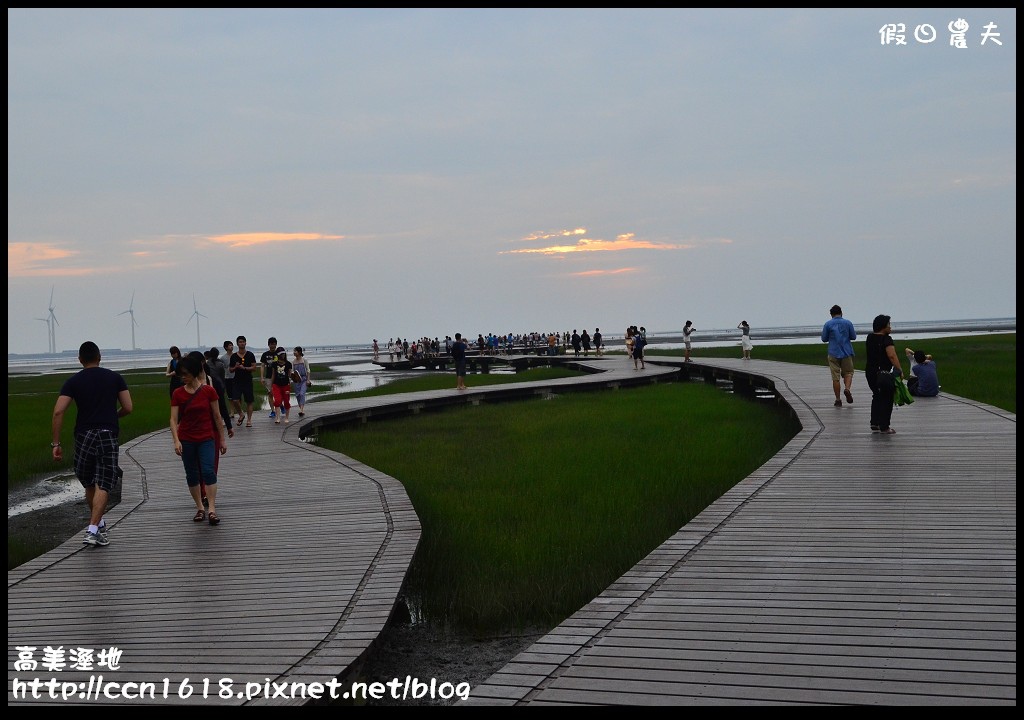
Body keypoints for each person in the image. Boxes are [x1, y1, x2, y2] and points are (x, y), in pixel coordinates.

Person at [51, 341, 133, 547]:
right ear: (100, 357)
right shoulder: (114, 378)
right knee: (104, 482)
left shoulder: (73, 381)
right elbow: (128, 407)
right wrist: (113, 416)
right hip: (107, 434)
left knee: (88, 482)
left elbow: (58, 411)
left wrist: (56, 443)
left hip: (83, 436)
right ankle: (93, 529)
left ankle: (98, 526)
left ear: (80, 359)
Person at [170, 353, 227, 525]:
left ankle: (211, 509)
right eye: (181, 374)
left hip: (206, 438)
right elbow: (173, 419)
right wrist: (176, 440)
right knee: (192, 474)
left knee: (208, 471)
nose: (183, 377)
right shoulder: (178, 393)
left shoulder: (209, 390)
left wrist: (222, 440)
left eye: (186, 373)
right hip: (186, 439)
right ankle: (200, 508)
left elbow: (217, 416)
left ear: (194, 372)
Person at [865, 314, 904, 435]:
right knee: (887, 398)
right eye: (889, 324)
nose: (890, 327)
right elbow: (892, 355)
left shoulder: (870, 337)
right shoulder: (887, 339)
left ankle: (875, 422)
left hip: (870, 372)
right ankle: (884, 426)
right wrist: (899, 369)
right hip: (884, 373)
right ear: (883, 326)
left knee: (877, 395)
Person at [821, 305, 857, 407]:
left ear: (831, 314)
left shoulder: (828, 324)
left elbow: (824, 339)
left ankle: (838, 399)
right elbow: (853, 337)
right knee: (849, 373)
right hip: (846, 352)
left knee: (835, 378)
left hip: (833, 352)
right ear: (841, 312)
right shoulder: (848, 323)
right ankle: (847, 389)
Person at [229, 335, 258, 428]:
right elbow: (230, 369)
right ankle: (241, 414)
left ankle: (249, 420)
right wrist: (236, 367)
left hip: (247, 380)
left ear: (245, 343)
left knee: (249, 401)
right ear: (237, 344)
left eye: (243, 342)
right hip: (237, 380)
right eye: (240, 342)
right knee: (235, 399)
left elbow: (254, 367)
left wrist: (244, 368)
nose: (242, 343)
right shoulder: (233, 356)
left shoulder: (250, 354)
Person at [270, 348, 294, 424]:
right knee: (277, 401)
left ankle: (286, 417)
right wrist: (271, 386)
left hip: (286, 385)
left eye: (283, 353)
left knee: (286, 401)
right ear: (278, 354)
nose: (282, 355)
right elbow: (273, 375)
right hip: (276, 385)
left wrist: (295, 377)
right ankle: (278, 418)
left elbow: (290, 375)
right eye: (281, 354)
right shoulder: (274, 364)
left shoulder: (288, 364)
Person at [260, 337, 280, 418]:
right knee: (270, 393)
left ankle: (280, 405)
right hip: (268, 376)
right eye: (271, 344)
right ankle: (273, 410)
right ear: (268, 345)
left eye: (274, 344)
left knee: (278, 393)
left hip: (279, 376)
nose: (273, 345)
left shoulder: (279, 353)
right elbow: (262, 366)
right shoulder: (265, 354)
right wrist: (261, 377)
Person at [222, 339, 240, 422]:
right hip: (228, 378)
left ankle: (239, 412)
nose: (231, 346)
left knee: (238, 396)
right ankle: (232, 412)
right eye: (229, 345)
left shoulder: (236, 356)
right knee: (230, 397)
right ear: (226, 347)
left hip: (236, 377)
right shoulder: (223, 358)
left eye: (232, 345)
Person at [292, 346, 311, 416]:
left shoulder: (304, 360)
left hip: (304, 380)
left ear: (299, 352)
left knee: (302, 393)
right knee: (297, 395)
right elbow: (292, 372)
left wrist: (308, 380)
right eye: (293, 351)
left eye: (295, 351)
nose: (294, 353)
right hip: (296, 381)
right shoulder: (293, 362)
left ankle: (301, 410)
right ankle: (301, 410)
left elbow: (308, 370)